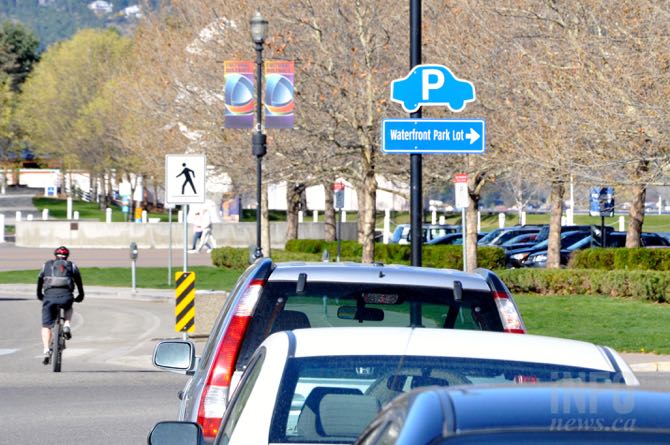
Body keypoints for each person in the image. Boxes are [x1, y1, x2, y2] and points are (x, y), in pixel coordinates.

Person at [37, 246, 85, 365]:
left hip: (49, 297)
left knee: (46, 326)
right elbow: (79, 281)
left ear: (55, 255)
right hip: (66, 296)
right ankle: (67, 324)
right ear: (67, 256)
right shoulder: (72, 266)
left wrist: (39, 294)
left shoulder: (46, 265)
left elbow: (39, 280)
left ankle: (46, 350)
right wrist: (81, 295)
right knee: (68, 306)